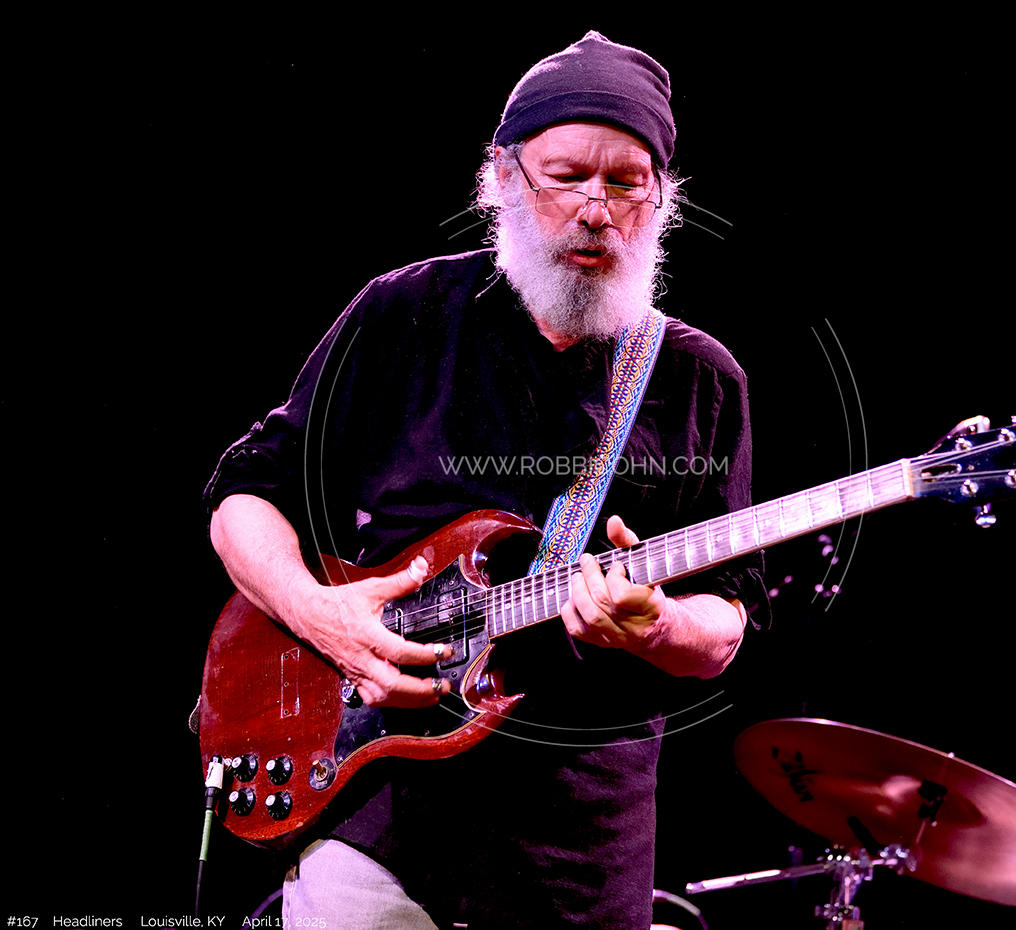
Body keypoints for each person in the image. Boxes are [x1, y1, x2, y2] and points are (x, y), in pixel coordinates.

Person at [204, 31, 766, 930]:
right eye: (567, 176)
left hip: (581, 842)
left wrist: (660, 624)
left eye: (627, 183)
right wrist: (318, 614)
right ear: (503, 177)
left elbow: (728, 622)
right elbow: (248, 490)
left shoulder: (700, 378)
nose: (597, 209)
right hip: (379, 806)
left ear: (660, 200)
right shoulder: (405, 311)